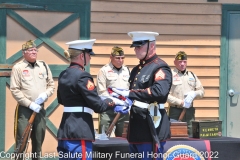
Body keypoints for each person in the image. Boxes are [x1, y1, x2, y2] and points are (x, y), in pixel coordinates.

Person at [57, 39, 125, 160]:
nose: (90, 58)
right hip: (80, 131)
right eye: (89, 55)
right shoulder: (83, 76)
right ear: (82, 55)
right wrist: (112, 101)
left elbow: (61, 99)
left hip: (65, 131)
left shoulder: (64, 74)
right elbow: (98, 106)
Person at [112, 31, 172, 160]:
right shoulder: (136, 69)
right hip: (137, 126)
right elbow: (135, 94)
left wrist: (130, 93)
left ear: (151, 46)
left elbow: (159, 91)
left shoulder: (160, 67)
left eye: (139, 46)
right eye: (135, 47)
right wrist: (124, 101)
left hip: (152, 126)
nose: (135, 50)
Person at [10, 40, 55, 160]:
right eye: (30, 50)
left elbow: (51, 85)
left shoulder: (43, 65)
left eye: (35, 50)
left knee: (38, 139)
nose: (34, 52)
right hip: (25, 110)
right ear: (24, 53)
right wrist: (29, 104)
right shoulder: (18, 68)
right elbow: (15, 90)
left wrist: (45, 95)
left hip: (40, 109)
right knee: (22, 141)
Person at [167, 51, 204, 136]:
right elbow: (165, 96)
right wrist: (180, 102)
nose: (182, 64)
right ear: (175, 62)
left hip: (189, 112)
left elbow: (202, 92)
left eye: (184, 61)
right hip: (175, 111)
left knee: (191, 135)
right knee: (175, 136)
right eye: (180, 62)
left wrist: (194, 94)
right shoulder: (170, 75)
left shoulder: (192, 75)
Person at [96, 46, 130, 137]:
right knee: (103, 137)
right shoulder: (104, 71)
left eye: (122, 58)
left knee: (124, 139)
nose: (120, 60)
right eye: (118, 58)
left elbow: (130, 89)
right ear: (111, 57)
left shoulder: (127, 70)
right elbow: (101, 91)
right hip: (108, 110)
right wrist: (115, 102)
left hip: (123, 110)